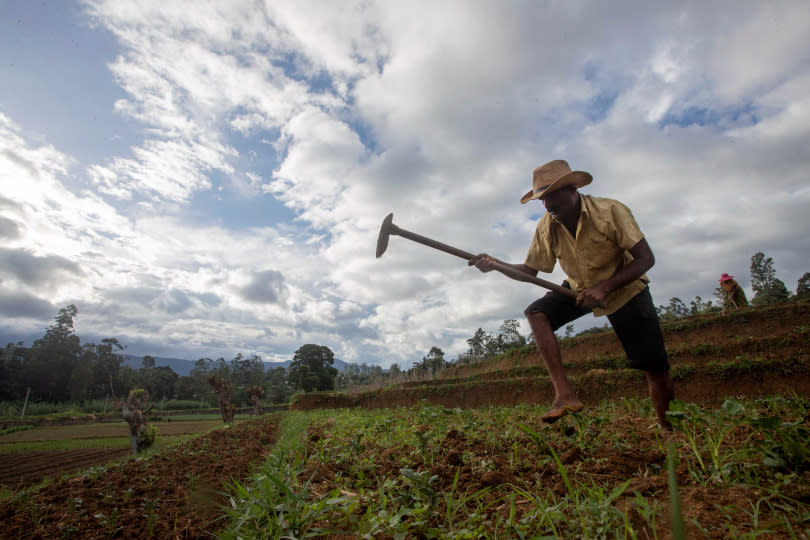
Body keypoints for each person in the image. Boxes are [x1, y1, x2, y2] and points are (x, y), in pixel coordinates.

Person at [470, 159, 674, 428]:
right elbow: (530, 272)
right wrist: (496, 265)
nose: (547, 205)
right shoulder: (547, 224)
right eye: (542, 199)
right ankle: (563, 394)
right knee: (537, 312)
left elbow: (645, 259)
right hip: (579, 289)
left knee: (655, 368)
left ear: (572, 189)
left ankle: (668, 428)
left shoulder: (610, 211)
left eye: (552, 195)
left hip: (625, 290)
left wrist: (604, 287)